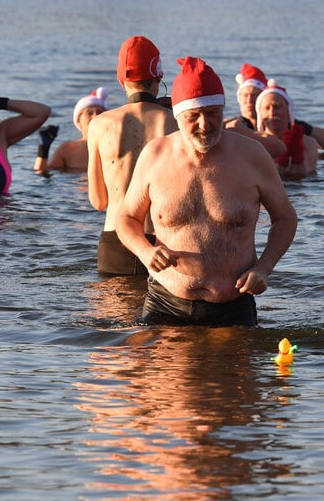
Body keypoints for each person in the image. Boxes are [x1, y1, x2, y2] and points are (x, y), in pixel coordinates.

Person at [116, 56, 298, 326]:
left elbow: (285, 218)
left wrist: (264, 267)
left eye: (213, 113)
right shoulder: (155, 155)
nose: (204, 124)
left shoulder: (252, 156)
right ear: (177, 115)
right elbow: (126, 218)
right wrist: (144, 251)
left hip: (233, 304)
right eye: (193, 116)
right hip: (166, 301)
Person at [87, 35, 177, 276]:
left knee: (111, 313)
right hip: (165, 242)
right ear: (158, 77)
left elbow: (98, 201)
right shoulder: (177, 122)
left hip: (115, 240)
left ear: (121, 79)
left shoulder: (99, 124)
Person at [34, 87, 109, 173]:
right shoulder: (67, 150)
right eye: (89, 113)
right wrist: (43, 150)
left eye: (100, 112)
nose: (95, 117)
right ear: (78, 120)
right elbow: (42, 173)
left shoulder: (117, 146)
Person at [256, 80, 318, 179]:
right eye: (267, 108)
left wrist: (297, 153)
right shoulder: (255, 143)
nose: (272, 113)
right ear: (260, 114)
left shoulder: (308, 142)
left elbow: (305, 178)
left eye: (277, 107)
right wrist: (283, 157)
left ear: (289, 111)